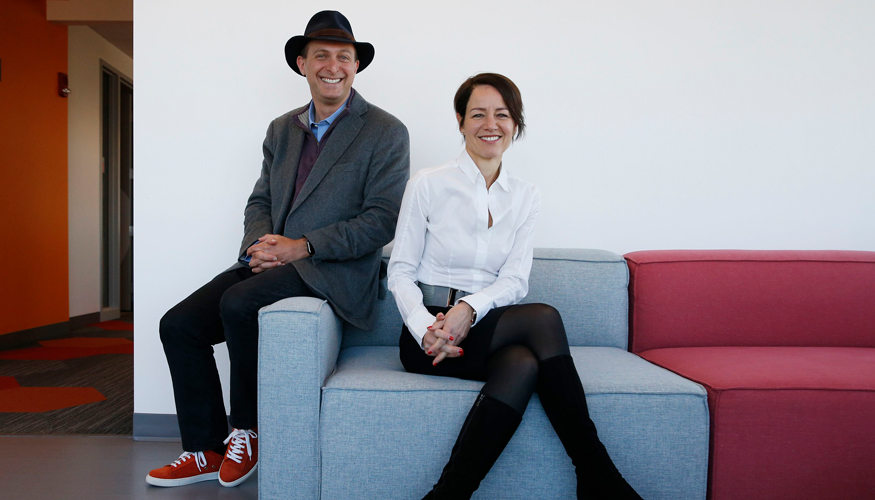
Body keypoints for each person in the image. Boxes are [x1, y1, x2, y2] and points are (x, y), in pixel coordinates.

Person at [146, 11, 409, 488]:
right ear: (302, 63)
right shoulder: (280, 129)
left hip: (331, 270)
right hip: (271, 261)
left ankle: (249, 431)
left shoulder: (386, 132)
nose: (334, 66)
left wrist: (300, 247)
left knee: (239, 302)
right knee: (178, 324)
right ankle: (204, 448)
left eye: (344, 57)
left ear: (356, 66)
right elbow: (260, 199)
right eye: (322, 55)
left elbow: (381, 221)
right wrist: (259, 245)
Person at [387, 73, 642, 500]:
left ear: (515, 124)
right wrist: (426, 327)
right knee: (543, 319)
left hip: (484, 328)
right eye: (478, 114)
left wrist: (468, 308)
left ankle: (448, 495)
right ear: (460, 121)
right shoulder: (428, 183)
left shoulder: (526, 196)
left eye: (502, 114)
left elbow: (514, 281)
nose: (491, 123)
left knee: (524, 361)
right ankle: (598, 475)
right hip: (427, 337)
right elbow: (400, 270)